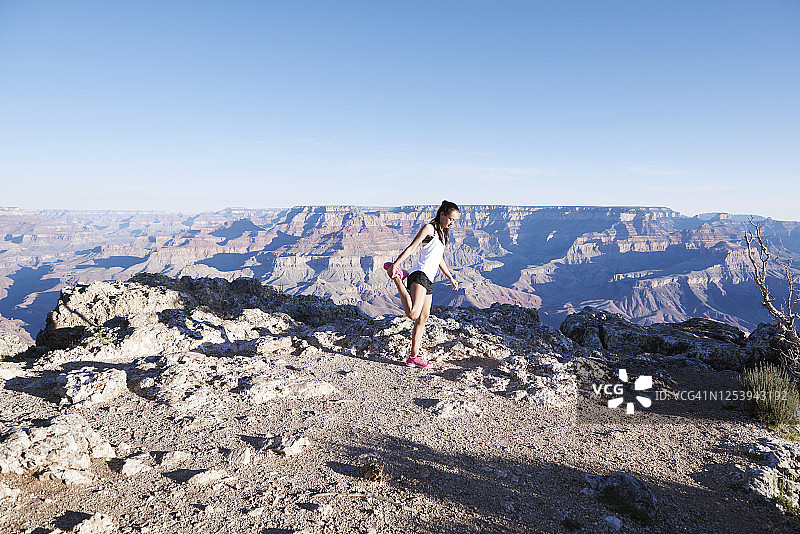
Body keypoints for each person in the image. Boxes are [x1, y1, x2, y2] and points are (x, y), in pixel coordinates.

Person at [384, 200, 460, 367]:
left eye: (455, 221)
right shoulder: (429, 228)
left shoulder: (442, 233)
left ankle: (413, 356)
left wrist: (450, 277)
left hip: (429, 279)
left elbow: (438, 258)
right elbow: (412, 247)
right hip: (419, 274)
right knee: (413, 314)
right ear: (442, 214)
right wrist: (395, 265)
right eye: (451, 219)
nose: (452, 223)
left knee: (423, 318)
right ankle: (398, 277)